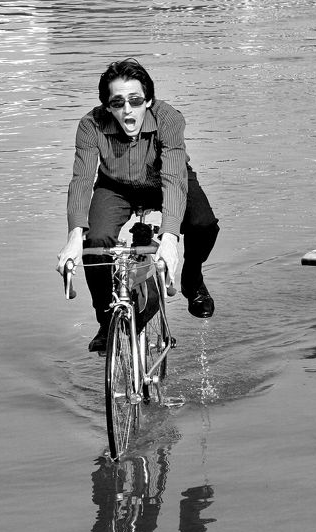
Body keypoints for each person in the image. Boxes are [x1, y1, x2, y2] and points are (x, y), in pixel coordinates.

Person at [56, 59, 220, 352]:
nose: (127, 109)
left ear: (149, 100)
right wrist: (72, 238)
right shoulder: (89, 125)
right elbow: (81, 179)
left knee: (203, 224)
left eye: (135, 100)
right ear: (107, 106)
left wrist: (170, 238)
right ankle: (106, 322)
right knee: (95, 241)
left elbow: (173, 177)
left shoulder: (169, 119)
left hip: (163, 181)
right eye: (117, 102)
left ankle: (192, 280)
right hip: (115, 187)